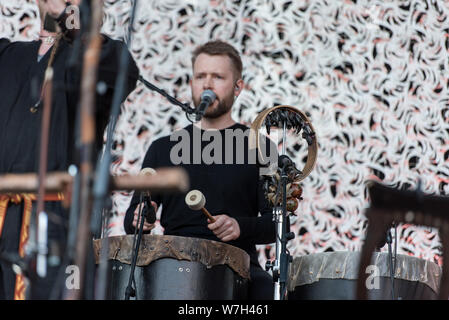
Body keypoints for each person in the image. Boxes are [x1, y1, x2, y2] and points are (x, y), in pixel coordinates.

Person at [0, 0, 139, 299]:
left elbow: (120, 73)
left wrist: (75, 23)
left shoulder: (99, 55)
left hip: (57, 219)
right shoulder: (7, 56)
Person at [124, 40, 276, 300]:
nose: (207, 84)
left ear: (238, 87)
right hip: (171, 265)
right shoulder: (162, 148)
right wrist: (140, 218)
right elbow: (131, 220)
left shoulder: (260, 147)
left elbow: (276, 225)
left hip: (237, 266)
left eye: (217, 77)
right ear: (192, 83)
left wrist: (240, 226)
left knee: (266, 290)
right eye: (200, 76)